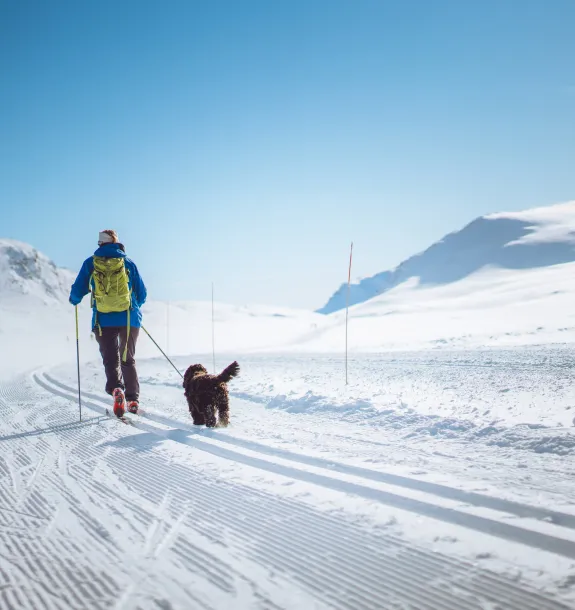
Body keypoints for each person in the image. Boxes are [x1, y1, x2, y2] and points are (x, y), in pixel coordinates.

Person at [69, 230, 147, 418]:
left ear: (100, 244)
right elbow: (142, 293)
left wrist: (74, 299)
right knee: (127, 359)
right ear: (117, 243)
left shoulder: (91, 263)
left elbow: (77, 291)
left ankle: (116, 390)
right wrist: (133, 306)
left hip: (103, 320)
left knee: (111, 360)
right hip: (129, 318)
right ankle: (133, 399)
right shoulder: (127, 263)